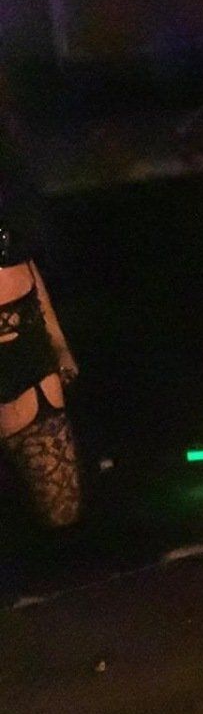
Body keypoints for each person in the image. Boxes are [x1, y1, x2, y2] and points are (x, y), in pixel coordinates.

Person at [0, 133, 81, 531]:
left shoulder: (9, 174)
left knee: (61, 508)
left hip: (22, 346)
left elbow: (25, 262)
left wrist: (59, 343)